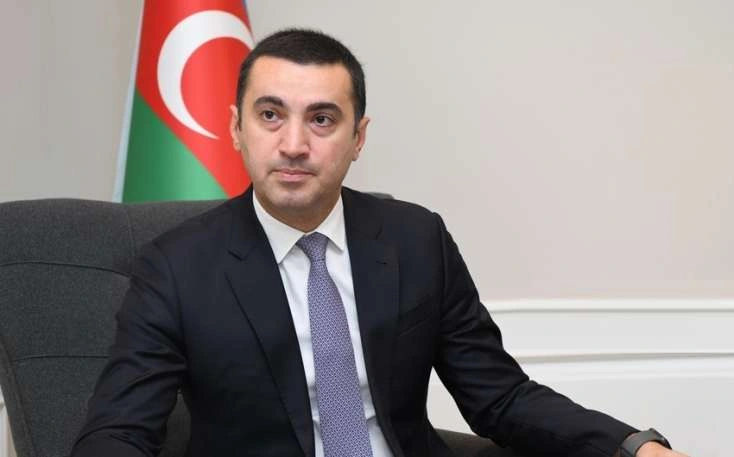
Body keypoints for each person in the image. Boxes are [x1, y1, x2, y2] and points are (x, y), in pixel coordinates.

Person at [71, 29, 687, 457]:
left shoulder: (417, 239)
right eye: (270, 115)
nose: (293, 144)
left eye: (321, 119)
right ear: (236, 128)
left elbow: (499, 396)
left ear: (358, 137)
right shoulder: (176, 266)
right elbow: (119, 431)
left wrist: (632, 446)